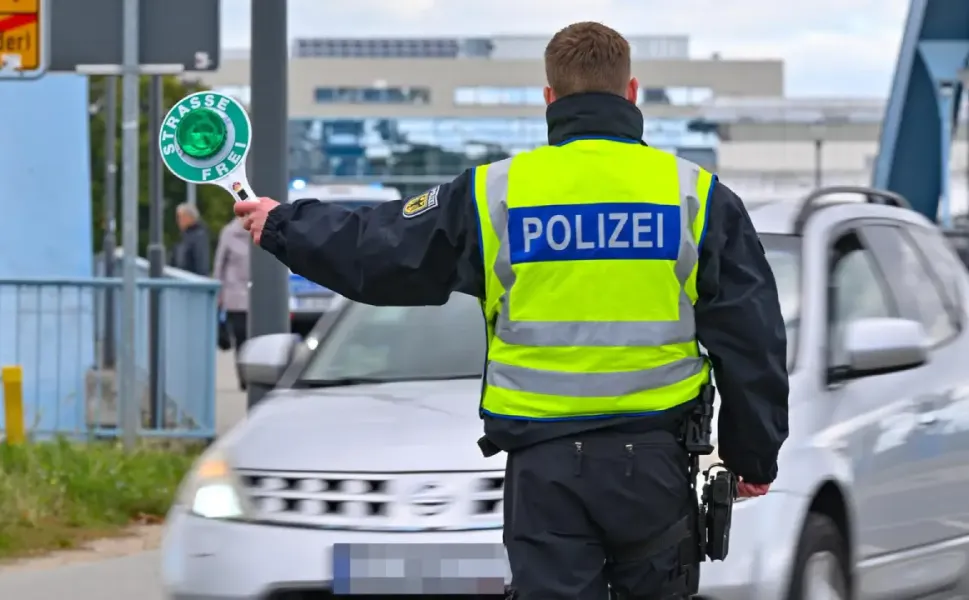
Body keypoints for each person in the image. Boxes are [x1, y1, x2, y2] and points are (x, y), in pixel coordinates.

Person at [235, 21, 789, 600]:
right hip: (652, 466)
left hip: (544, 469)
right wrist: (753, 455)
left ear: (549, 98)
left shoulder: (494, 193)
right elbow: (751, 335)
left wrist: (282, 223)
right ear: (631, 93)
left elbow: (381, 249)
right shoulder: (697, 196)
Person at [213, 216, 251, 390]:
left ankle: (252, 374)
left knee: (255, 337)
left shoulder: (262, 229)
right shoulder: (229, 233)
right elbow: (219, 265)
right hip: (235, 296)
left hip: (256, 295)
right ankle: (244, 377)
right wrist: (218, 295)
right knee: (241, 338)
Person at [172, 203, 211, 276]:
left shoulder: (199, 236)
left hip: (191, 282)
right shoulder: (184, 236)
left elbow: (201, 264)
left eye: (180, 217)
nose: (178, 221)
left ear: (190, 217)